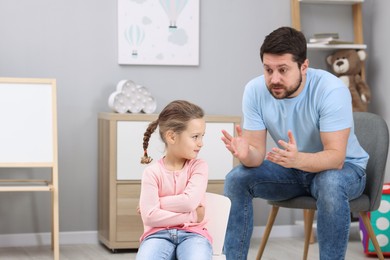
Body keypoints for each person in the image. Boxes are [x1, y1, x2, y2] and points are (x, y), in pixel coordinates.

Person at [221, 26, 368, 260]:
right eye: (268, 70)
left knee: (329, 182)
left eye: (283, 70)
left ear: (304, 66)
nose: (274, 79)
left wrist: (298, 159)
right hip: (293, 168)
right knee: (237, 179)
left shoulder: (331, 89)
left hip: (344, 170)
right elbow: (257, 154)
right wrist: (245, 154)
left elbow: (336, 158)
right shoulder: (255, 90)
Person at [136, 100, 213, 260]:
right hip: (156, 235)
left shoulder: (199, 167)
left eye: (202, 136)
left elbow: (189, 202)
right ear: (171, 136)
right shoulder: (151, 173)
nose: (201, 143)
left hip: (193, 235)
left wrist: (155, 204)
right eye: (195, 137)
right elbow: (149, 217)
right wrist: (191, 217)